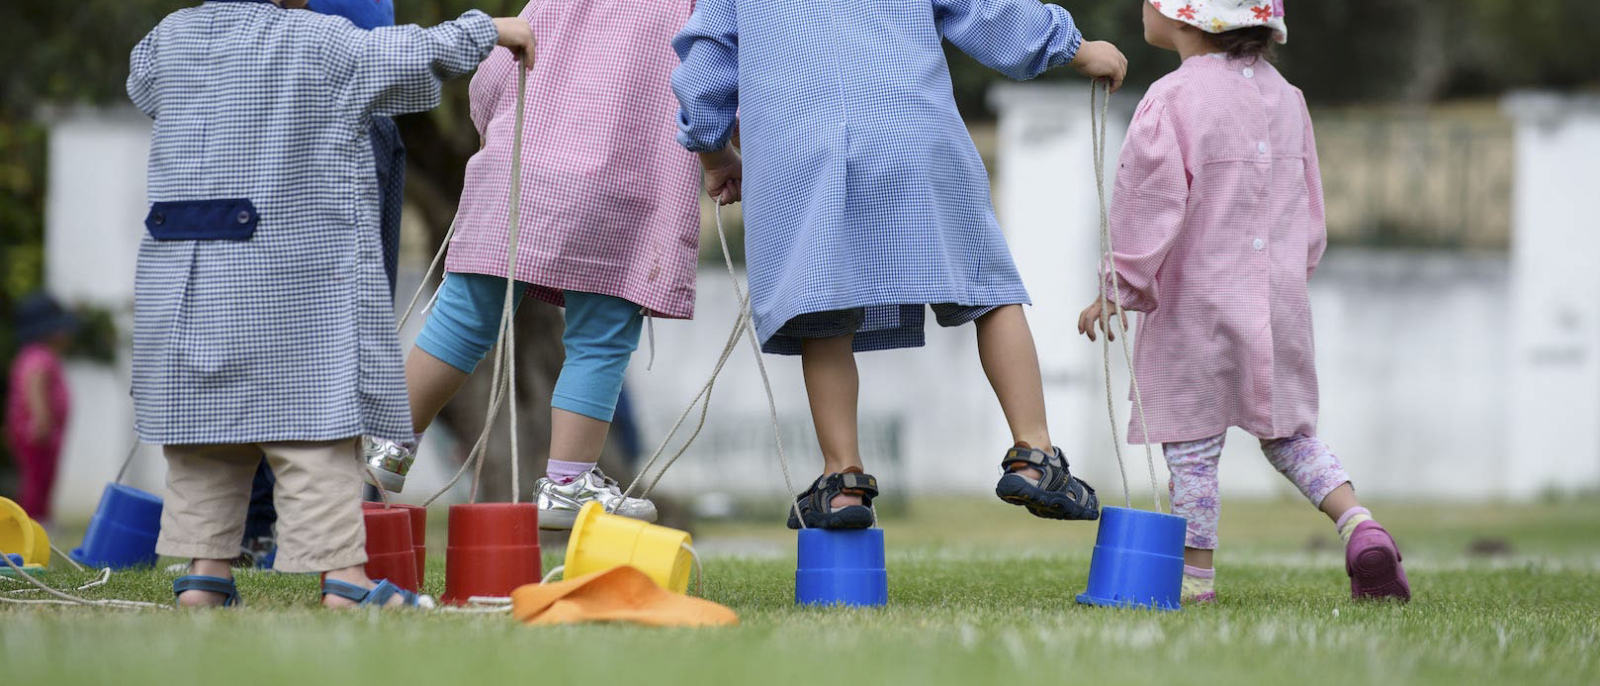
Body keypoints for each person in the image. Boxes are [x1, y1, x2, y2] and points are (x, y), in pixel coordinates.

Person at [127, 0, 534, 608]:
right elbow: (409, 52)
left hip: (188, 292)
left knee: (206, 441)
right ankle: (344, 579)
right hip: (288, 292)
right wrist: (493, 29)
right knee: (314, 438)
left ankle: (205, 574)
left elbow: (141, 83)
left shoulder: (168, 40)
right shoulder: (318, 43)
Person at [671, 0, 1128, 528]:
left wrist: (713, 150)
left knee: (823, 309)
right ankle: (1035, 453)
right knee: (984, 287)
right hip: (909, 130)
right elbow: (984, 9)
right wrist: (1074, 48)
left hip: (798, 149)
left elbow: (706, 60)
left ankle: (843, 481)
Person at [1077, 0, 1410, 602]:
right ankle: (1359, 524)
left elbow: (1150, 205)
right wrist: (1285, 279)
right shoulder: (1289, 98)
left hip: (1194, 311)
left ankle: (1197, 583)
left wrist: (1117, 287)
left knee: (1193, 452)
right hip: (1277, 308)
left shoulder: (1173, 99)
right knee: (1292, 437)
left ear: (1187, 17)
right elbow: (1311, 214)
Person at [361, 0, 703, 531]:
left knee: (462, 316)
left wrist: (488, 127)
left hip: (521, 171)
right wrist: (720, 152)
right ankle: (568, 483)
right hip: (624, 186)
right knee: (601, 335)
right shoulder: (690, 8)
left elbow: (495, 70)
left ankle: (387, 443)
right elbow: (706, 85)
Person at [236, 0, 407, 570]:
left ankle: (326, 541)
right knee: (291, 339)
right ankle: (258, 529)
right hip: (293, 92)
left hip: (367, 91)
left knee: (346, 341)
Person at [3, 293, 77, 529]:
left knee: (42, 477)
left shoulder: (32, 354)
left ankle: (40, 518)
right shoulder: (40, 356)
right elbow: (34, 385)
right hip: (37, 431)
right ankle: (33, 521)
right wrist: (42, 418)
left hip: (38, 431)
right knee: (37, 478)